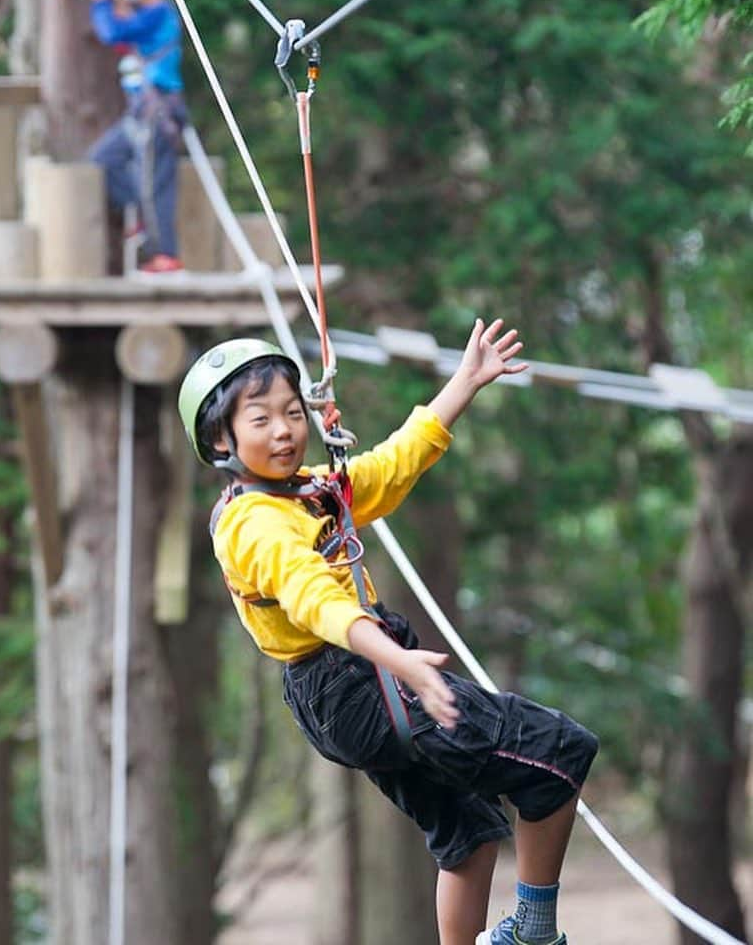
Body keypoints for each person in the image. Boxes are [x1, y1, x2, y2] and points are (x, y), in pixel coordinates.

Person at [177, 321, 599, 945]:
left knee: (470, 835)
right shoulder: (255, 524)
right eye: (260, 420)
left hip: (347, 688)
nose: (286, 430)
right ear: (221, 442)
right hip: (355, 678)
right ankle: (533, 933)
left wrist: (464, 383)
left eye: (292, 412)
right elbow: (314, 598)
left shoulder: (306, 494)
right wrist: (397, 663)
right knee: (559, 755)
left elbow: (388, 468)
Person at [84, 0, 187, 273]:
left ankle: (165, 254)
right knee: (102, 161)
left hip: (158, 110)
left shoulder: (157, 12)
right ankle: (142, 213)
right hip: (141, 111)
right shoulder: (145, 12)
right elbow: (119, 36)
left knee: (156, 184)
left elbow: (112, 31)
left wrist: (101, 0)